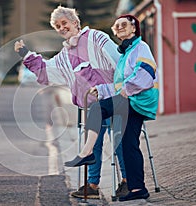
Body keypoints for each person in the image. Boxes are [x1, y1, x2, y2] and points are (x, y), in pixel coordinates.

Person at [14, 6, 128, 199]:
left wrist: (122, 89)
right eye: (58, 26)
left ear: (75, 22)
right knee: (94, 145)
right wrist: (26, 55)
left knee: (119, 140)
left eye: (64, 23)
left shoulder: (96, 37)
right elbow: (47, 71)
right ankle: (92, 186)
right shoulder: (65, 56)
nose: (61, 28)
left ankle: (127, 181)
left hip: (116, 100)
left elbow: (120, 62)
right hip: (93, 106)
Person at [65, 14, 159, 201]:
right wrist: (101, 89)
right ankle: (137, 188)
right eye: (116, 26)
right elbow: (119, 85)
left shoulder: (141, 47)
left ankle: (87, 152)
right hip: (132, 100)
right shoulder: (126, 53)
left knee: (98, 109)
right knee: (128, 145)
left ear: (134, 29)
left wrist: (126, 90)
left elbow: (146, 72)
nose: (119, 27)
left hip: (138, 100)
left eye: (124, 24)